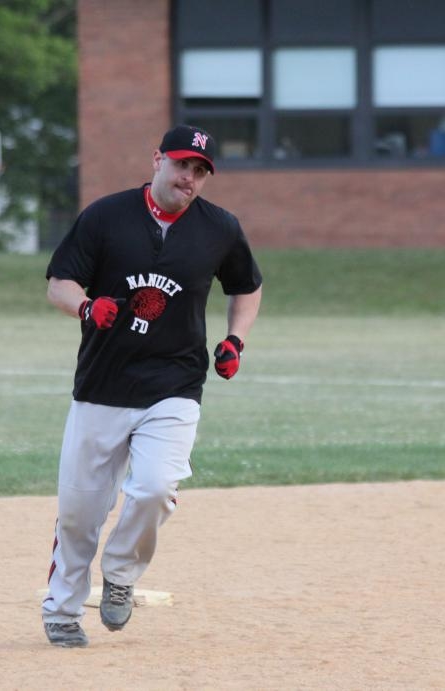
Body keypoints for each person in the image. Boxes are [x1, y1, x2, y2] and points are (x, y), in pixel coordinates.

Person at [42, 124, 263, 647]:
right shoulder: (106, 216)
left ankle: (119, 576)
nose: (190, 177)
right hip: (103, 385)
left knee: (157, 488)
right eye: (183, 164)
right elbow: (59, 283)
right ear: (158, 160)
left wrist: (235, 340)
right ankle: (62, 610)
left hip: (175, 384)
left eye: (201, 171)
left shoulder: (220, 228)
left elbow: (247, 288)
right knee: (80, 512)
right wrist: (86, 305)